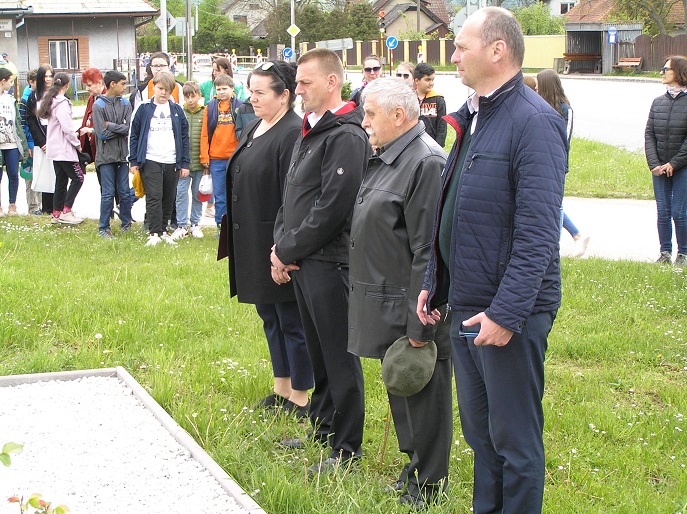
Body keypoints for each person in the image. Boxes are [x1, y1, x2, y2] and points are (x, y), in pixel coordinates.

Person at [417, 8, 567, 513]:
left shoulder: (534, 122)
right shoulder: (476, 115)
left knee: (514, 441)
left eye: (462, 46)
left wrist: (506, 313)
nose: (453, 55)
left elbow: (538, 233)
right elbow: (458, 208)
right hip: (467, 303)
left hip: (508, 313)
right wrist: (435, 281)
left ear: (498, 50)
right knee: (481, 437)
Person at [348, 77, 451, 509]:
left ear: (398, 115)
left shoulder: (425, 162)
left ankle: (429, 484)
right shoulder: (391, 155)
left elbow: (429, 250)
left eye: (370, 114)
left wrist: (419, 324)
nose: (364, 122)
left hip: (412, 307)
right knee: (402, 387)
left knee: (422, 393)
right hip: (387, 300)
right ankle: (415, 471)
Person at [271, 48, 370, 475]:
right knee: (318, 353)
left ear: (332, 82)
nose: (298, 90)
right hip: (303, 261)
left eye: (305, 82)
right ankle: (323, 427)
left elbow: (332, 209)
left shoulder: (346, 135)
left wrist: (288, 250)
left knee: (339, 356)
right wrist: (280, 246)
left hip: (330, 263)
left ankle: (346, 448)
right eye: (297, 82)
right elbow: (292, 195)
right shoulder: (310, 128)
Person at [223, 60, 314, 418]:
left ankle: (301, 395)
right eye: (251, 91)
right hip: (252, 240)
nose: (252, 98)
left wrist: (285, 248)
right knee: (270, 316)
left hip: (276, 242)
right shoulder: (255, 126)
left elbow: (293, 197)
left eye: (260, 92)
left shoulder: (291, 133)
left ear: (284, 95)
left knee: (291, 319)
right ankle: (282, 387)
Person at [129, 71, 190, 246]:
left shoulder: (177, 110)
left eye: (167, 90)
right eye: (161, 88)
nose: (164, 93)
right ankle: (154, 232)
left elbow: (184, 138)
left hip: (172, 160)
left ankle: (164, 230)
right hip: (150, 159)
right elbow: (134, 135)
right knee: (154, 195)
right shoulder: (143, 108)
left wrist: (185, 163)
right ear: (154, 87)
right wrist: (133, 160)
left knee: (168, 196)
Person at [537, 68, 590, 258]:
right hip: (539, 163)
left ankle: (557, 245)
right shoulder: (539, 106)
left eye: (538, 84)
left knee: (555, 204)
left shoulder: (566, 109)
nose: (536, 87)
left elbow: (565, 139)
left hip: (556, 164)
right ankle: (576, 235)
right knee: (548, 203)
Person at [645, 55, 687, 266]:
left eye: (666, 69)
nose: (662, 73)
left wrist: (674, 163)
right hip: (660, 166)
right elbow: (649, 134)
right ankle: (665, 253)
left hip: (682, 167)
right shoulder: (658, 102)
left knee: (679, 212)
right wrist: (654, 163)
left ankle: (683, 254)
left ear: (678, 72)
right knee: (663, 211)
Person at [37, 72, 85, 225]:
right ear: (67, 85)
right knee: (78, 178)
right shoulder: (62, 103)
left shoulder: (51, 101)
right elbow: (67, 129)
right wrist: (77, 144)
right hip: (64, 149)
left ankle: (56, 213)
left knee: (61, 180)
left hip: (55, 149)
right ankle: (66, 210)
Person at [200, 73, 244, 234]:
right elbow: (204, 134)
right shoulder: (210, 107)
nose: (222, 92)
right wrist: (204, 156)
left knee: (236, 194)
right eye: (218, 89)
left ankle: (237, 227)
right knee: (219, 195)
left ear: (232, 89)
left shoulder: (240, 106)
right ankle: (221, 227)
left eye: (225, 88)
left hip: (235, 157)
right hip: (216, 159)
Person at [92, 70, 133, 238]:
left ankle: (126, 224)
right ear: (112, 84)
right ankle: (103, 227)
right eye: (122, 84)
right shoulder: (98, 105)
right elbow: (101, 133)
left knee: (124, 192)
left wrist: (110, 125)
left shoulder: (126, 104)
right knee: (108, 193)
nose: (124, 87)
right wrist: (120, 129)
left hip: (122, 156)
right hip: (105, 157)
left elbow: (129, 128)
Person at [170, 81, 206, 240]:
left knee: (198, 194)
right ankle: (181, 225)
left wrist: (206, 161)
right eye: (187, 97)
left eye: (193, 96)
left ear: (199, 96)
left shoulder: (205, 112)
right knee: (181, 193)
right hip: (183, 164)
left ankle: (195, 224)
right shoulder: (179, 112)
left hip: (200, 162)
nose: (190, 100)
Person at [26, 65, 54, 215]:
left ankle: (58, 207)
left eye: (50, 76)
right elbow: (31, 121)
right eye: (45, 76)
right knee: (44, 176)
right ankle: (46, 209)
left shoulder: (57, 94)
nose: (48, 79)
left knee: (57, 175)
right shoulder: (33, 96)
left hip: (56, 139)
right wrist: (42, 142)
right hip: (41, 140)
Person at [0, 68, 28, 217]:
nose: (11, 84)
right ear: (2, 81)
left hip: (11, 144)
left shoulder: (10, 100)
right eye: (10, 81)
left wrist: (23, 144)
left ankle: (12, 205)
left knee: (13, 174)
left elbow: (17, 123)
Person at [18, 69, 41, 215]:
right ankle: (33, 207)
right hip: (30, 144)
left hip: (41, 142)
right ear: (30, 82)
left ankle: (41, 205)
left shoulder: (41, 96)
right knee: (30, 176)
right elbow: (22, 125)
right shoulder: (25, 100)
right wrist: (27, 145)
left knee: (41, 174)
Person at [414, 62, 447, 148]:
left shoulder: (438, 99)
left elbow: (442, 127)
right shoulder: (409, 98)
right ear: (417, 81)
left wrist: (438, 147)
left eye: (433, 79)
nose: (431, 83)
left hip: (431, 146)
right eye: (427, 80)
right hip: (412, 145)